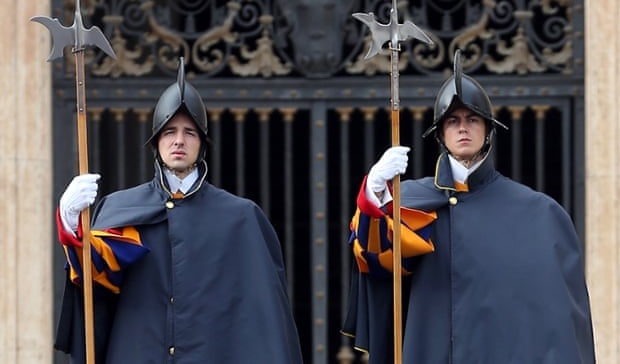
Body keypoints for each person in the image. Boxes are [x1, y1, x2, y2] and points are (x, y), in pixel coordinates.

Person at [341, 50, 595, 363]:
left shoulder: (540, 214)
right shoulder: (408, 202)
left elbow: (560, 324)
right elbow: (373, 258)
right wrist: (375, 193)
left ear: (488, 130)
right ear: (440, 133)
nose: (463, 128)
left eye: (472, 119)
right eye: (453, 120)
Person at [54, 57, 303, 363]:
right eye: (170, 132)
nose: (179, 141)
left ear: (202, 143)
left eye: (190, 132)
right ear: (157, 141)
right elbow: (94, 279)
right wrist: (69, 221)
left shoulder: (241, 217)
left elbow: (265, 320)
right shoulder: (119, 208)